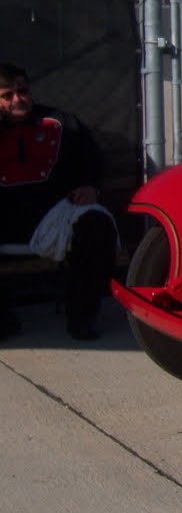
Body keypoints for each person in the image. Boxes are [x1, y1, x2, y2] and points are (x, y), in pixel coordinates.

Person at [0, 63, 118, 340]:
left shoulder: (61, 123)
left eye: (23, 91)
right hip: (4, 216)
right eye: (8, 95)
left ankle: (82, 318)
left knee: (97, 224)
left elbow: (93, 160)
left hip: (53, 215)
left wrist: (91, 187)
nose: (18, 99)